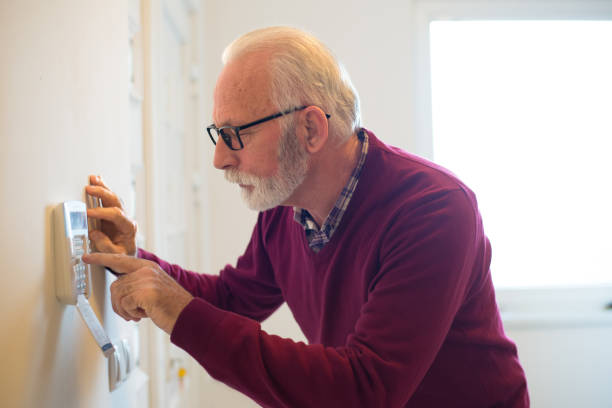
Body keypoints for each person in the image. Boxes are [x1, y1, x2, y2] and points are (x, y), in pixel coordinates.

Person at [83, 26, 529, 407]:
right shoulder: (285, 210)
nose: (219, 159)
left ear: (311, 129)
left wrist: (179, 312)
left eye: (235, 134)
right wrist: (136, 262)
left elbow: (364, 390)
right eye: (218, 134)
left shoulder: (433, 210)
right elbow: (232, 299)